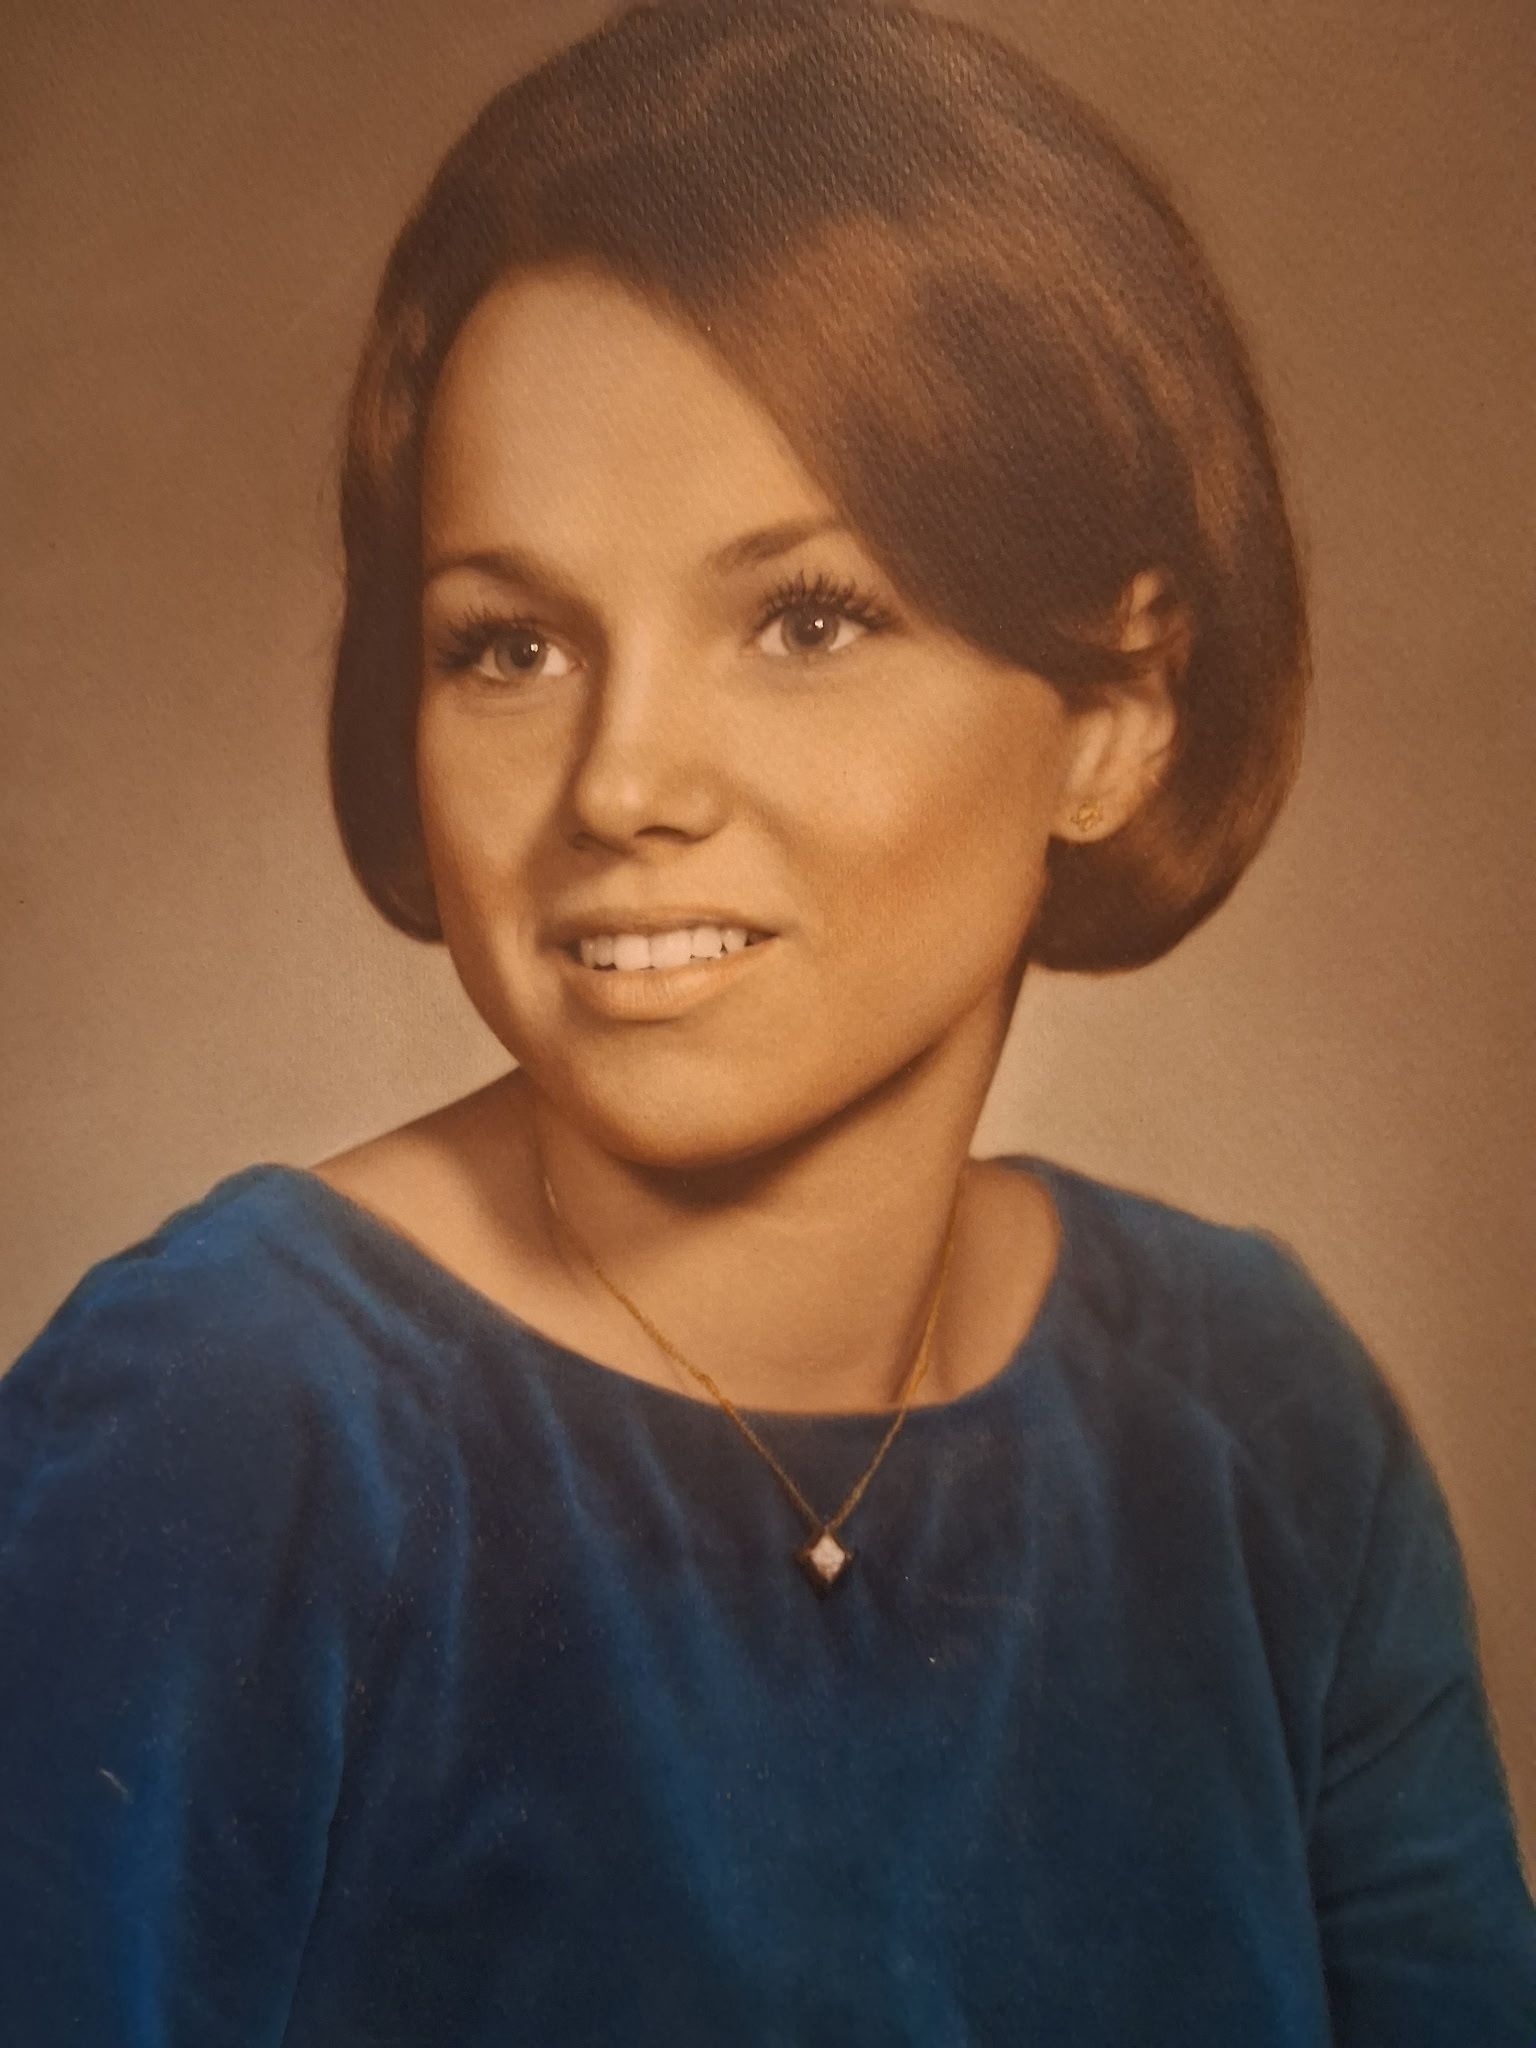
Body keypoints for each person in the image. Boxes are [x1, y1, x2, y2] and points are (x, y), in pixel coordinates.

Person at [1, 2, 1532, 2041]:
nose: (623, 783)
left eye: (806, 619)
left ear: (1116, 714)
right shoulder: (226, 1426)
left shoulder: (1260, 1417)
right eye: (511, 643)